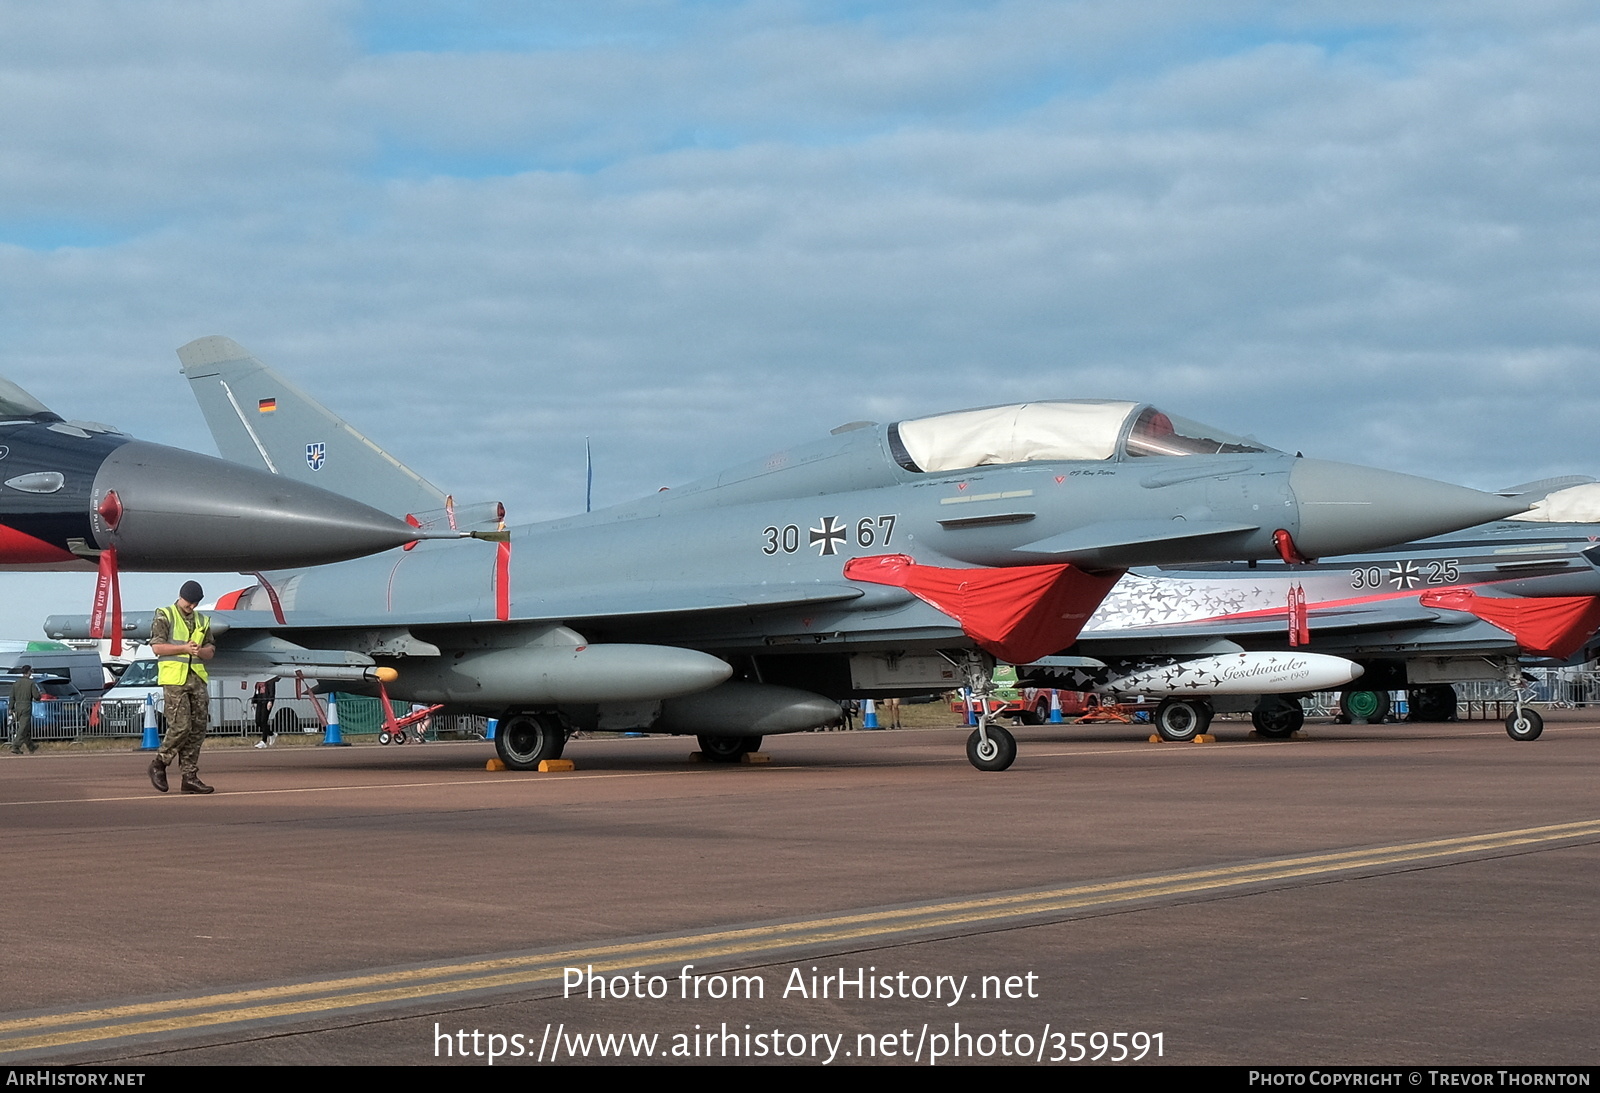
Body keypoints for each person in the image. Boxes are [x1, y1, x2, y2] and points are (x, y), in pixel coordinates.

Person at [146, 581, 217, 794]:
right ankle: (159, 763)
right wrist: (184, 648)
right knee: (181, 725)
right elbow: (157, 647)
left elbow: (211, 649)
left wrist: (200, 652)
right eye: (189, 602)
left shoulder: (202, 620)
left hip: (197, 678)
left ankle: (190, 777)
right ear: (181, 596)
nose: (191, 607)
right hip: (175, 679)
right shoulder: (164, 615)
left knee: (198, 729)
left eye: (195, 603)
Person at [8, 665, 38, 754]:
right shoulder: (31, 683)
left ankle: (31, 746)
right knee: (23, 728)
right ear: (28, 672)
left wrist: (11, 707)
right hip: (26, 707)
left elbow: (12, 697)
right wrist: (38, 696)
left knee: (24, 728)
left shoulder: (16, 683)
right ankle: (16, 746)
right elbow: (36, 696)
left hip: (18, 707)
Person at [251, 679, 277, 748]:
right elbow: (256, 692)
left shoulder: (270, 680)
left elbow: (272, 691)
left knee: (263, 720)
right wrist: (254, 701)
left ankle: (264, 741)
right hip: (259, 701)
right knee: (258, 721)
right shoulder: (258, 681)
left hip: (266, 701)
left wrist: (270, 701)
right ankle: (271, 734)